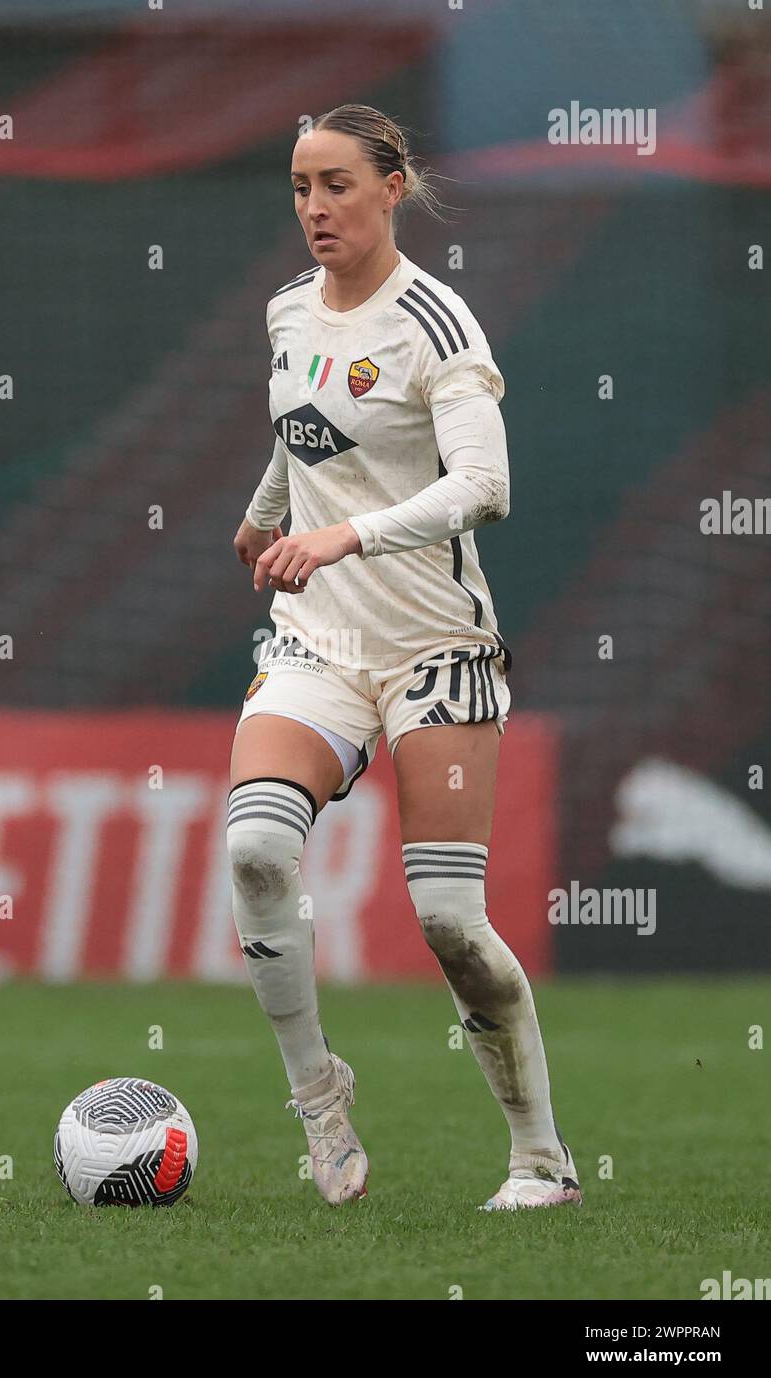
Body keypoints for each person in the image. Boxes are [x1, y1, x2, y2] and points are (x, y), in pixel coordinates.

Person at [227, 103, 580, 1212]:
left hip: (434, 643)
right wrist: (268, 510)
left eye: (336, 184)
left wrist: (346, 534)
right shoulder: (287, 310)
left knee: (445, 921)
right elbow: (304, 432)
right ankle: (318, 1097)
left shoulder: (435, 321)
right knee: (254, 849)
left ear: (393, 188)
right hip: (319, 640)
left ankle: (539, 1161)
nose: (315, 208)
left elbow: (485, 486)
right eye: (298, 187)